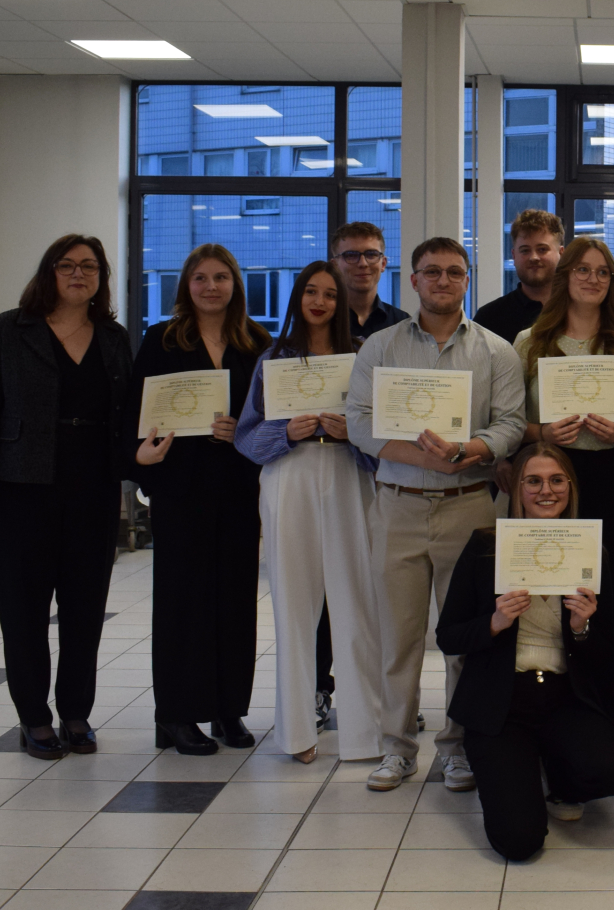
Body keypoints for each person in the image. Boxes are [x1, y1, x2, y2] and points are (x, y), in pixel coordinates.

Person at [346, 236, 526, 792]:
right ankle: (396, 749)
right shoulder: (381, 347)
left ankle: (458, 749)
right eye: (431, 272)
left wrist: (466, 452)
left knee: (464, 641)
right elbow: (360, 422)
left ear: (467, 279)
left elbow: (511, 425)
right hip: (396, 507)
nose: (443, 281)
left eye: (454, 272)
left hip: (467, 508)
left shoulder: (497, 350)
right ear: (414, 281)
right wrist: (423, 455)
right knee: (397, 638)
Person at [0, 234, 131, 761]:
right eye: (67, 265)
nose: (78, 274)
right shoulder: (10, 329)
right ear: (49, 272)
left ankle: (76, 713)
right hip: (20, 488)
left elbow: (129, 410)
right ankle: (33, 717)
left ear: (101, 277)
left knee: (85, 609)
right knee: (23, 609)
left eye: (90, 267)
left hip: (93, 487)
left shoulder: (113, 336)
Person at [434, 442, 614, 860]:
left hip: (566, 699)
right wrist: (494, 622)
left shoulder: (591, 553)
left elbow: (606, 655)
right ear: (516, 488)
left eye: (557, 480)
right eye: (534, 481)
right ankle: (522, 768)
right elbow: (448, 636)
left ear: (571, 487)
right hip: (501, 705)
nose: (547, 490)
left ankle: (555, 774)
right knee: (519, 842)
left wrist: (582, 629)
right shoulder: (485, 547)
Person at [236, 261, 382, 765]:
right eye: (311, 292)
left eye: (330, 294)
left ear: (342, 304)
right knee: (294, 607)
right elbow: (247, 438)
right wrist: (287, 433)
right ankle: (297, 732)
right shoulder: (274, 359)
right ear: (297, 297)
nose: (319, 302)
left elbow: (380, 440)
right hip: (289, 476)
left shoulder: (361, 358)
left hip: (346, 475)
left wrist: (352, 434)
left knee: (356, 602)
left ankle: (365, 733)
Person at [130, 244, 272, 755]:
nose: (211, 287)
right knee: (182, 603)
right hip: (180, 488)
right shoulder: (160, 340)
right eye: (200, 278)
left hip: (237, 487)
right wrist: (143, 452)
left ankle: (228, 710)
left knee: (235, 601)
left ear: (236, 284)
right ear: (185, 286)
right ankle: (176, 714)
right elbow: (135, 413)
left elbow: (271, 416)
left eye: (221, 277)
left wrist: (245, 428)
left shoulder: (257, 342)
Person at [513, 236, 614, 597]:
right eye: (583, 270)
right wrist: (543, 432)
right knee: (546, 576)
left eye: (603, 272)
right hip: (548, 476)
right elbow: (509, 422)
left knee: (603, 579)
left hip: (609, 475)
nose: (594, 279)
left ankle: (600, 653)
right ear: (565, 277)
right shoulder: (530, 343)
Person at [316, 220, 410, 729]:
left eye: (371, 255)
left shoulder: (401, 326)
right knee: (326, 585)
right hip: (326, 470)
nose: (362, 264)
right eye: (350, 255)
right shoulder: (316, 324)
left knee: (381, 589)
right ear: (335, 261)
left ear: (384, 263)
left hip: (385, 474)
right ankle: (318, 688)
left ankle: (383, 697)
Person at [475, 208, 563, 344]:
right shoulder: (488, 319)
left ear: (561, 253)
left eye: (542, 249)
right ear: (514, 255)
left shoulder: (579, 311)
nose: (534, 257)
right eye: (525, 250)